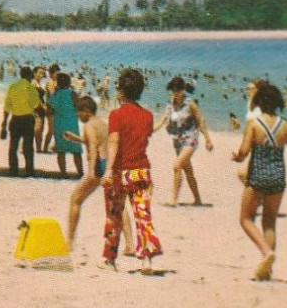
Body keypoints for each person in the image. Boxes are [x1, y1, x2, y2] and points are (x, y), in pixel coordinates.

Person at [232, 81, 287, 282]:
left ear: (258, 102)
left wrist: (236, 157)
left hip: (258, 176)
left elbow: (244, 152)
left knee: (245, 219)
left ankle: (266, 253)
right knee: (270, 222)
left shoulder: (254, 125)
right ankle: (267, 270)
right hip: (278, 177)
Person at [101, 68, 163, 272]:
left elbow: (114, 141)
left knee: (114, 216)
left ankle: (110, 260)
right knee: (143, 215)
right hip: (141, 171)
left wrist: (108, 170)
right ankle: (147, 259)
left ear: (120, 91)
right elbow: (144, 135)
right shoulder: (147, 116)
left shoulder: (116, 115)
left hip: (120, 172)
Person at [65, 96, 134, 254]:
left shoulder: (88, 125)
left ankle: (69, 242)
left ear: (87, 112)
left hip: (98, 166)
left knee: (75, 199)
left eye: (78, 112)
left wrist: (90, 171)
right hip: (111, 165)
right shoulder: (103, 124)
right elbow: (97, 141)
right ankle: (130, 244)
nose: (77, 116)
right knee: (119, 206)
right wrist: (75, 138)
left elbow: (94, 147)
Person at [154, 76, 212, 206]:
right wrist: (149, 130)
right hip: (177, 141)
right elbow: (162, 120)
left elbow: (200, 121)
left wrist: (208, 139)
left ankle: (174, 200)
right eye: (172, 90)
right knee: (188, 170)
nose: (175, 93)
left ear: (182, 90)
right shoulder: (170, 105)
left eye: (177, 90)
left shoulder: (190, 104)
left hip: (191, 139)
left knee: (177, 165)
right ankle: (198, 200)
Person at [0, 66, 41, 176]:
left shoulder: (12, 87)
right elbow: (36, 105)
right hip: (27, 120)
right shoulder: (31, 88)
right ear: (30, 76)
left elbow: (7, 107)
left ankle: (13, 171)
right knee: (28, 147)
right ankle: (29, 171)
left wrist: (3, 124)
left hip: (15, 119)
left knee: (13, 147)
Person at [49, 72, 83, 177]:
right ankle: (80, 172)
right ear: (69, 83)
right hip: (72, 124)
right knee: (76, 150)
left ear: (58, 83)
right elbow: (79, 107)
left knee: (61, 150)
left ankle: (63, 173)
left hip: (59, 123)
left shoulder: (55, 94)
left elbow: (51, 108)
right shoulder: (73, 94)